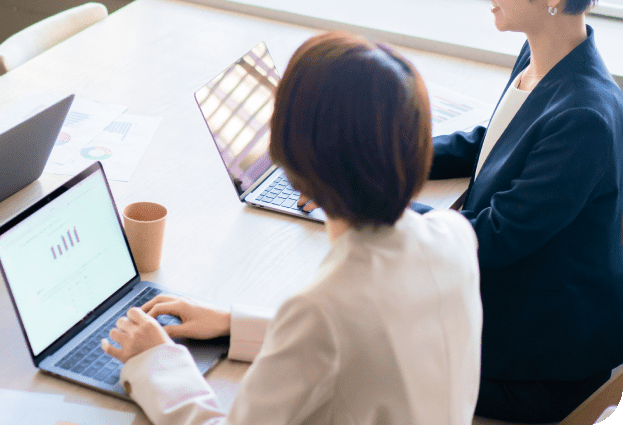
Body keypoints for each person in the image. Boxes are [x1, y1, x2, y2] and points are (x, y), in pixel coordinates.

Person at [101, 31, 483, 425]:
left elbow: (329, 332)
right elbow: (358, 341)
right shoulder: (452, 235)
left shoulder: (322, 310)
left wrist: (156, 363)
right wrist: (234, 325)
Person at [430, 0, 623, 423]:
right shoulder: (545, 56)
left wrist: (374, 208)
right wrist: (379, 158)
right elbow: (491, 144)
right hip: (512, 311)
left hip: (538, 369)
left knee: (358, 357)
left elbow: (494, 236)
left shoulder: (585, 115)